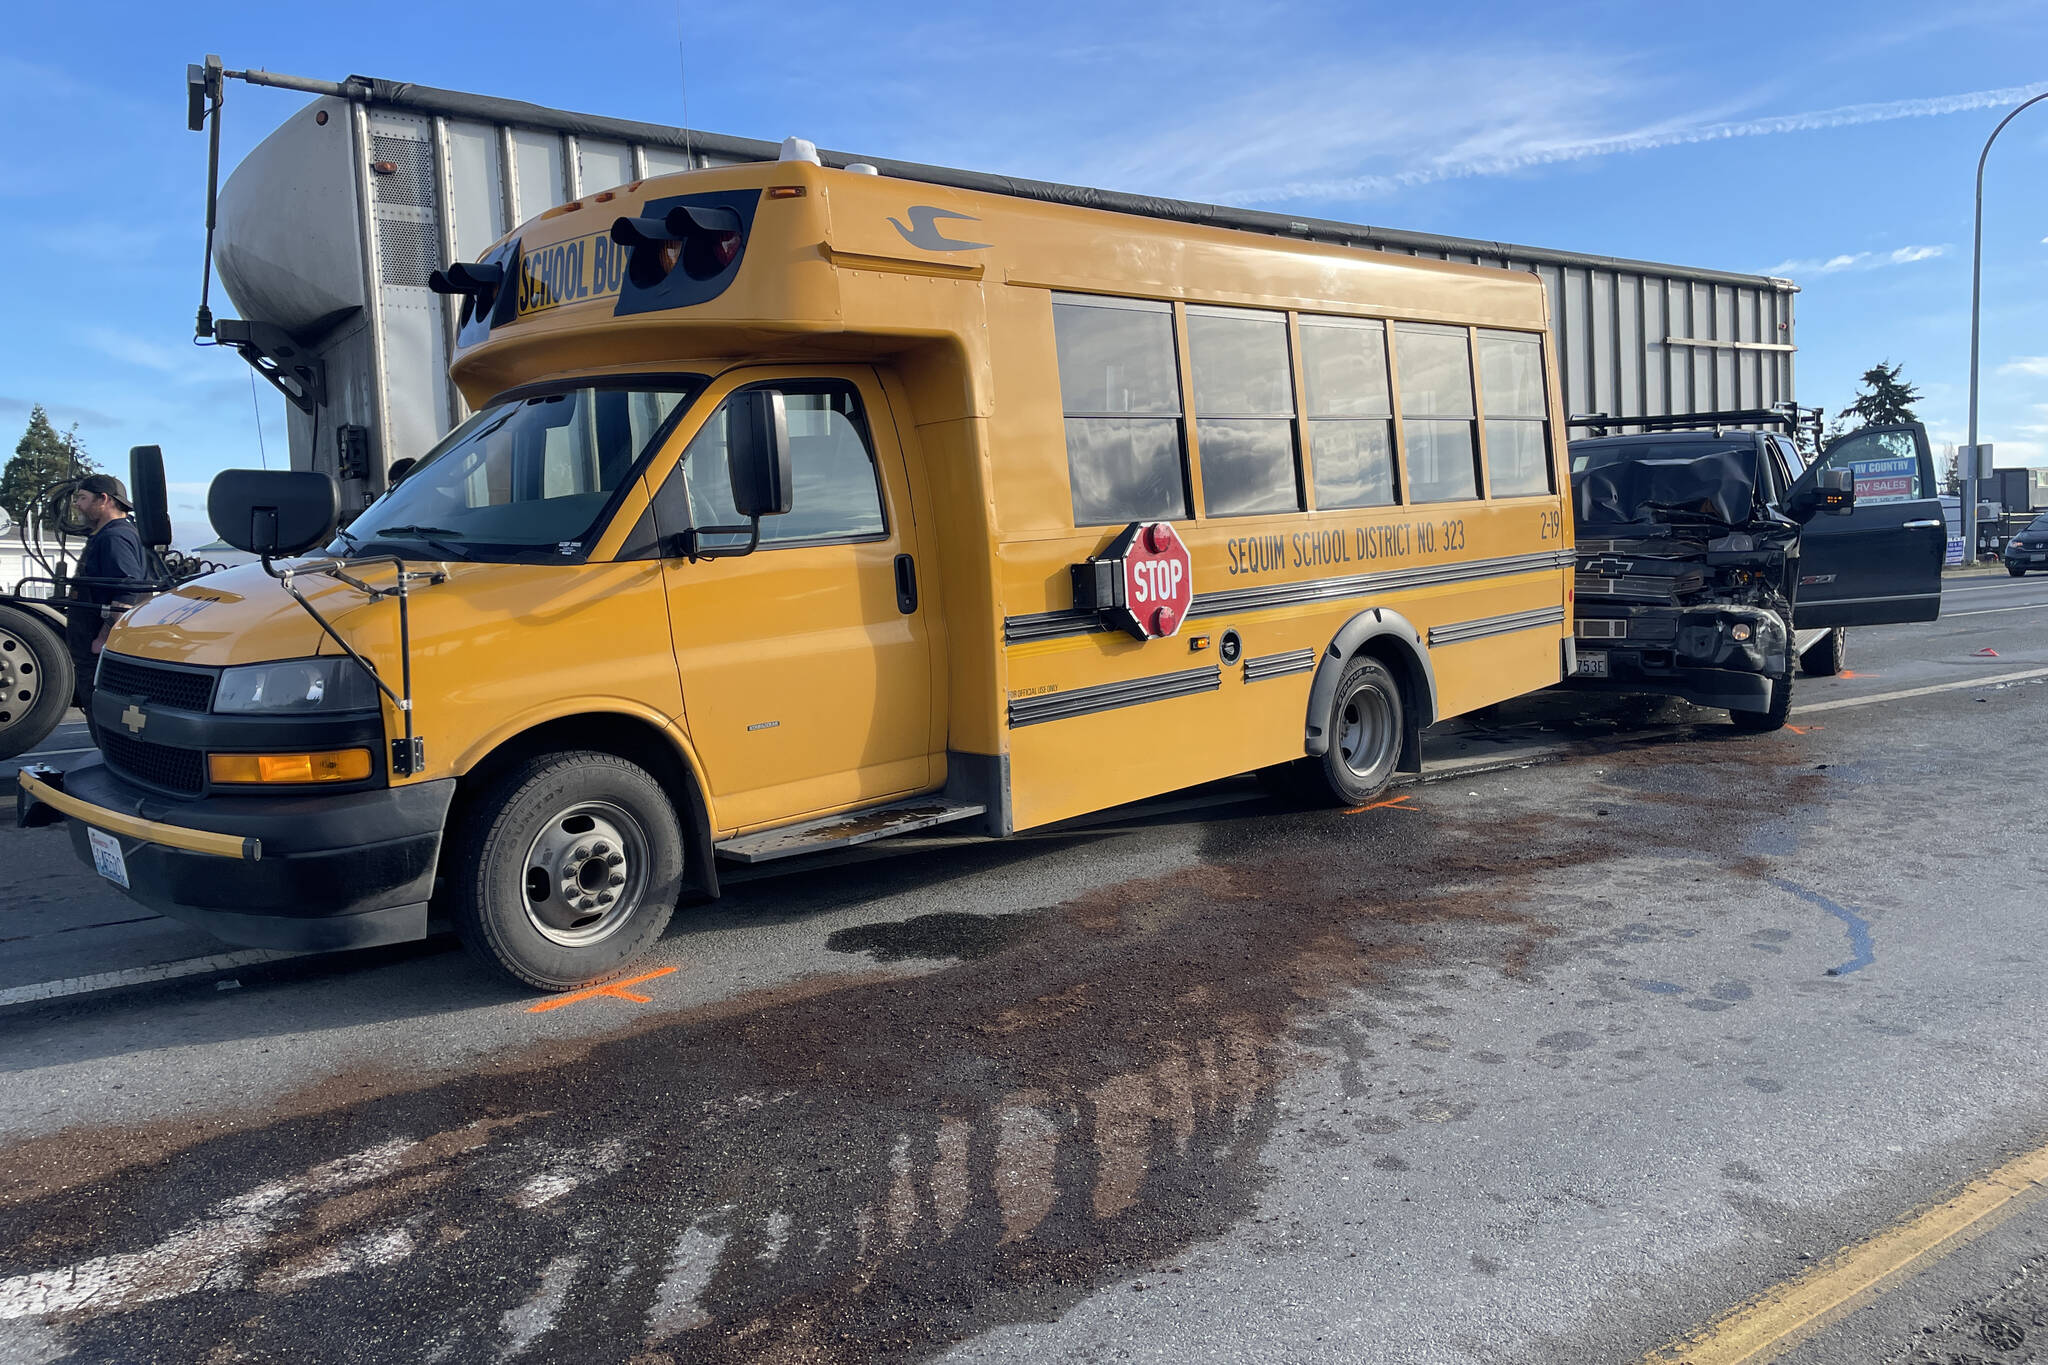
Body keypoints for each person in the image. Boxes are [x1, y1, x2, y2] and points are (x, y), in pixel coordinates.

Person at [64, 474, 149, 733]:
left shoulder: (115, 537)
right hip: (91, 644)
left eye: (82, 498)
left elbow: (128, 587)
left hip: (98, 648)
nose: (77, 504)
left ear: (104, 499)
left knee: (102, 711)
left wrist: (103, 637)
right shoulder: (106, 534)